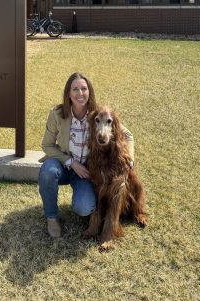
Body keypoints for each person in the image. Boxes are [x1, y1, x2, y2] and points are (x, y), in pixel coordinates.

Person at [38, 72, 135, 238]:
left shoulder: (97, 114)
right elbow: (46, 145)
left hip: (85, 173)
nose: (80, 93)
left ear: (89, 92)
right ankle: (52, 218)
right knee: (47, 171)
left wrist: (130, 158)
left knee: (84, 208)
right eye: (75, 89)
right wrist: (71, 162)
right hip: (62, 166)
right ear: (68, 93)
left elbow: (127, 135)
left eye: (84, 89)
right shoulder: (57, 114)